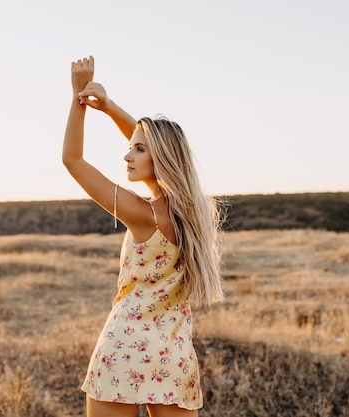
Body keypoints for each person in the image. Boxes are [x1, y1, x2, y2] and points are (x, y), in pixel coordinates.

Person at [63, 56, 224, 417]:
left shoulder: (143, 214)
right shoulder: (193, 212)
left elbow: (72, 160)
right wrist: (109, 107)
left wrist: (78, 98)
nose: (127, 155)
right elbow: (155, 147)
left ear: (161, 158)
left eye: (138, 150)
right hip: (173, 354)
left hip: (123, 351)